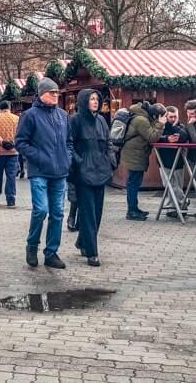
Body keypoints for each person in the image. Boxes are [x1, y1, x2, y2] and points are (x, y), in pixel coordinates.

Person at [16, 78, 71, 269]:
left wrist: (67, 158)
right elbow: (21, 142)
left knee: (57, 213)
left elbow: (69, 142)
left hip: (60, 172)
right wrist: (38, 157)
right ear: (41, 94)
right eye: (52, 93)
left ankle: (51, 252)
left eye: (57, 93)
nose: (56, 96)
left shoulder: (63, 116)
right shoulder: (30, 115)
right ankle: (32, 246)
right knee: (41, 210)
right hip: (39, 171)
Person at [68, 89, 113, 267]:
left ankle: (82, 241)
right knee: (88, 212)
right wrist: (79, 162)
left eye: (97, 99)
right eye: (91, 99)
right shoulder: (75, 120)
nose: (95, 102)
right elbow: (69, 144)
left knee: (97, 212)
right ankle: (92, 252)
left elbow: (108, 142)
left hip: (100, 170)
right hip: (83, 173)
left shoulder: (102, 120)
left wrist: (111, 159)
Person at [120, 101, 164, 221]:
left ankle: (134, 208)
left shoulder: (143, 117)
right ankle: (132, 212)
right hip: (134, 155)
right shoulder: (141, 120)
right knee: (133, 183)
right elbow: (152, 137)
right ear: (156, 115)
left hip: (136, 154)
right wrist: (160, 124)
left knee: (134, 182)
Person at [160, 106, 191, 219]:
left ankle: (177, 208)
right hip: (164, 160)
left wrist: (174, 127)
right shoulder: (161, 127)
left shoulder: (180, 127)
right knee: (169, 185)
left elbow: (184, 137)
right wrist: (167, 139)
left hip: (178, 161)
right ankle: (182, 202)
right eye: (171, 117)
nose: (173, 119)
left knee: (176, 185)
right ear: (166, 116)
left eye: (175, 116)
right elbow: (156, 137)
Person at [0, 100, 20, 207]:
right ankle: (11, 198)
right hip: (13, 152)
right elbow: (20, 133)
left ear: (0, 108)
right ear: (10, 107)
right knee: (11, 176)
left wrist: (2, 141)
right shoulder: (16, 119)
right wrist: (13, 142)